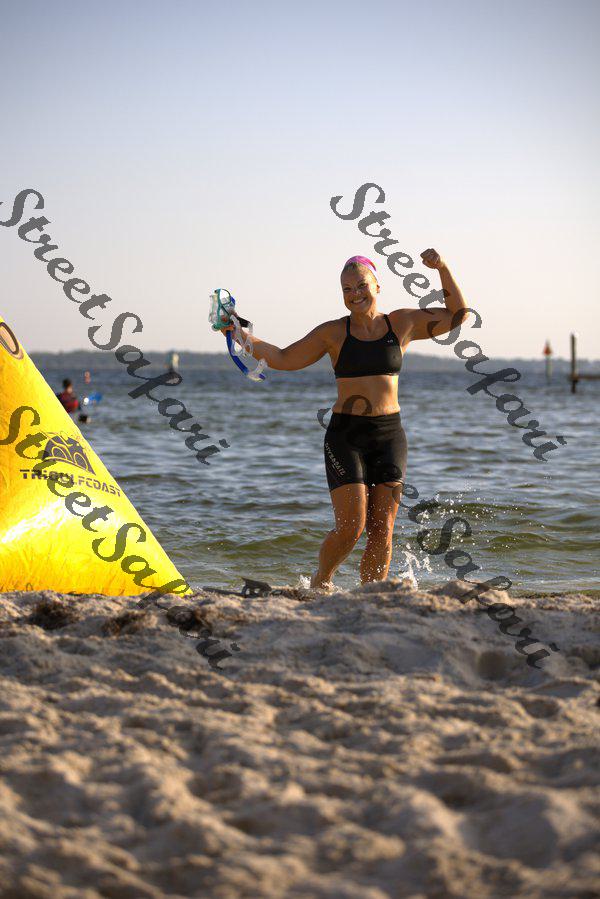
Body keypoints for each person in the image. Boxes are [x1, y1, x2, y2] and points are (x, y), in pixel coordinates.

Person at [219, 250, 468, 589]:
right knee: (352, 527)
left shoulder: (402, 323)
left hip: (389, 435)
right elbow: (283, 358)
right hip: (346, 436)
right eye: (347, 289)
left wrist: (442, 268)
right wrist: (237, 333)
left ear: (377, 285)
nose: (355, 294)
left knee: (383, 529)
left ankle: (372, 594)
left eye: (361, 286)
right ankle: (321, 582)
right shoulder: (333, 333)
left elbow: (457, 316)